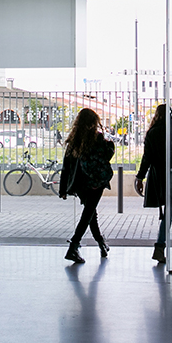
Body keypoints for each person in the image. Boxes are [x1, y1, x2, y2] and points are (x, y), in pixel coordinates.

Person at [135, 104, 172, 264]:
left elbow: (147, 158)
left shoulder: (152, 133)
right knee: (171, 212)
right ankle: (160, 247)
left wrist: (139, 178)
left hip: (158, 177)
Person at [58, 108, 115, 264]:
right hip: (96, 183)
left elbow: (66, 167)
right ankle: (74, 246)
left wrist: (63, 189)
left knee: (90, 214)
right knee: (88, 214)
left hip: (80, 185)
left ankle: (101, 243)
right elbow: (106, 156)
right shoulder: (97, 138)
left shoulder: (73, 140)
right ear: (93, 122)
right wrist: (110, 145)